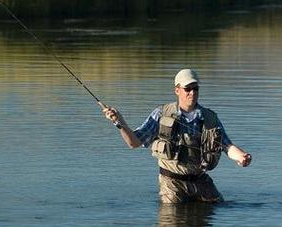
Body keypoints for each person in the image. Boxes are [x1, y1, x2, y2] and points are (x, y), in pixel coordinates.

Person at [102, 69, 252, 203]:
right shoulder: (161, 113)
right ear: (177, 90)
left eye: (195, 88)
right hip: (171, 183)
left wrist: (241, 157)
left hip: (200, 181)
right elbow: (134, 142)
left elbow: (227, 145)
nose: (192, 93)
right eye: (188, 89)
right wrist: (119, 122)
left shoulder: (210, 117)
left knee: (218, 207)